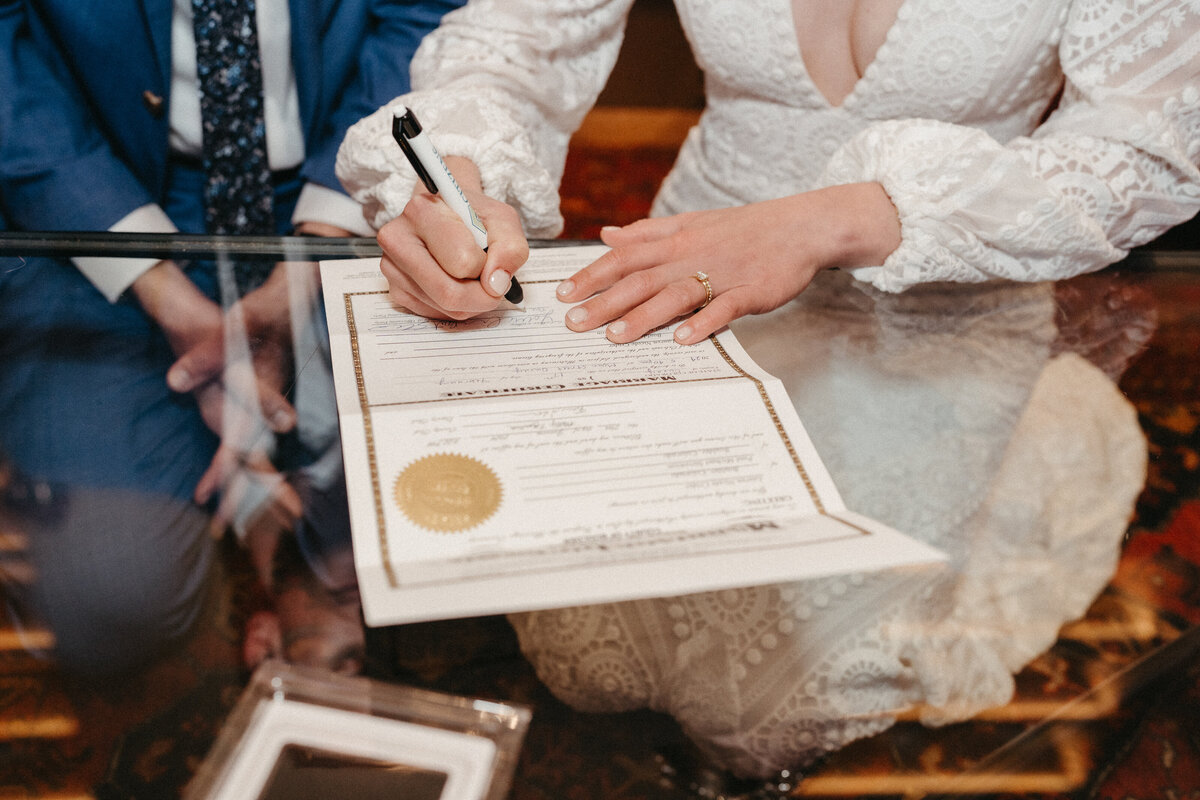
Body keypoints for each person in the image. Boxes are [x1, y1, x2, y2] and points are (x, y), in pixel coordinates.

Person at [335, 0, 1200, 779]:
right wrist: (456, 173)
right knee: (595, 659)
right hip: (683, 271)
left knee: (781, 708)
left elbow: (1149, 148)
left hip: (947, 295)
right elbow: (519, 36)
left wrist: (830, 218)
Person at [0, 0, 465, 674]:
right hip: (94, 182)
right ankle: (267, 511)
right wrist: (163, 291)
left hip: (337, 171)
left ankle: (273, 529)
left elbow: (423, 17)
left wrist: (313, 256)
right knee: (114, 602)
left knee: (447, 526)